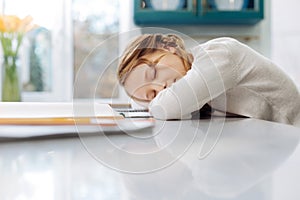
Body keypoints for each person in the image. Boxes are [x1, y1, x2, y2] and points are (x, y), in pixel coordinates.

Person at [117, 33, 300, 127]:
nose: (161, 89)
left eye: (152, 74)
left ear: (168, 46)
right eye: (152, 94)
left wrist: (152, 103)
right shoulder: (194, 84)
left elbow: (168, 107)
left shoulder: (219, 55)